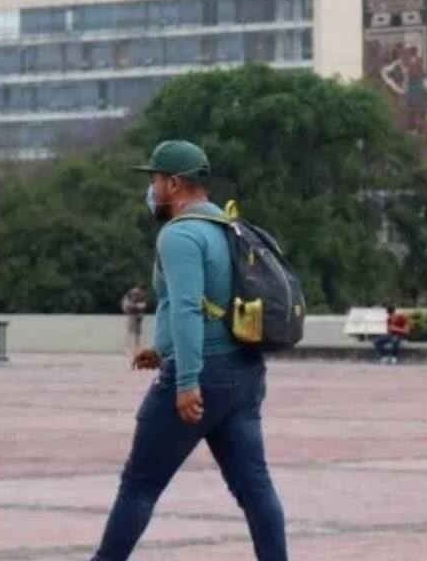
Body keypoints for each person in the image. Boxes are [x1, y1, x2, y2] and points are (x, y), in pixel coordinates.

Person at [92, 140, 288, 561]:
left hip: (202, 374)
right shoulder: (227, 227)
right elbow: (212, 306)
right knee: (254, 487)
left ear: (174, 183)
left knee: (140, 484)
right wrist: (162, 350)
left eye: (154, 180)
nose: (151, 189)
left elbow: (185, 308)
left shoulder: (180, 234)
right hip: (245, 372)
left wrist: (185, 380)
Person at [121, 285, 148, 358]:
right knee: (133, 332)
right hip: (132, 314)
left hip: (135, 314)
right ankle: (131, 348)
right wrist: (138, 306)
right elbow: (130, 305)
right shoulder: (135, 293)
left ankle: (135, 348)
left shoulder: (137, 294)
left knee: (137, 332)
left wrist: (140, 310)